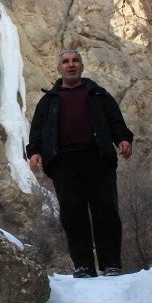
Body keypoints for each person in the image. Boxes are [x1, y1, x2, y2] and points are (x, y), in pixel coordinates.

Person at [26, 49, 133, 278]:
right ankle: (83, 265)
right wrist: (34, 152)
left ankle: (111, 263)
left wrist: (123, 139)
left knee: (106, 211)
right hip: (64, 163)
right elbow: (37, 130)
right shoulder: (47, 101)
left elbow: (115, 121)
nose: (71, 65)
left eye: (75, 61)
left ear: (82, 67)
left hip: (99, 159)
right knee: (73, 215)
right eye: (65, 61)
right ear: (59, 68)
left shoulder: (98, 94)